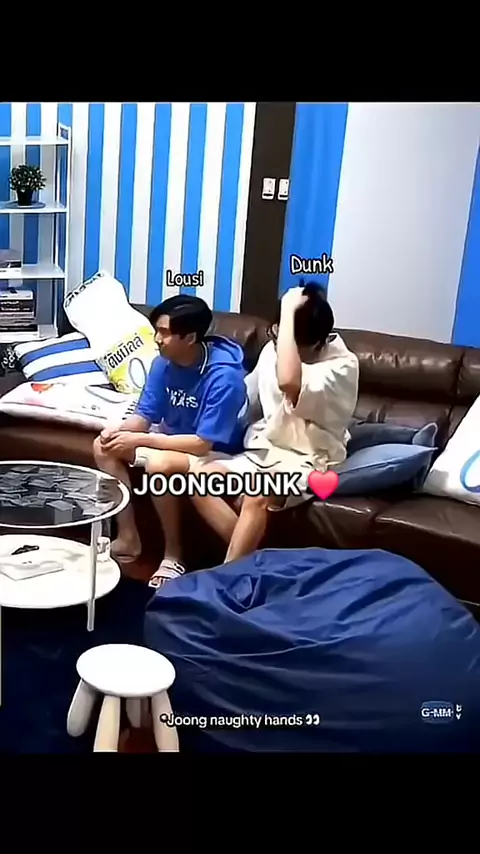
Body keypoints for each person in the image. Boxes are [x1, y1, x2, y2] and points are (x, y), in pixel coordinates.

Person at [189, 281, 359, 563]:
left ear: (318, 342)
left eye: (286, 335)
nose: (279, 343)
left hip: (310, 460)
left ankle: (227, 575)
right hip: (265, 450)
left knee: (256, 492)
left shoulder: (342, 365)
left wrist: (289, 310)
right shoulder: (272, 349)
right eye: (277, 331)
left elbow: (288, 381)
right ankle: (252, 564)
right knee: (198, 478)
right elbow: (247, 397)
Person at [93, 293, 248, 587]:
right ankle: (128, 538)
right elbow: (144, 416)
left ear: (189, 337)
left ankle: (173, 555)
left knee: (160, 465)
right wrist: (122, 431)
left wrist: (141, 441)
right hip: (174, 440)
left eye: (164, 333)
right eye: (157, 331)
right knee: (104, 447)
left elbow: (203, 443)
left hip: (219, 453)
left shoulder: (225, 377)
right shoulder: (162, 363)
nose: (157, 339)